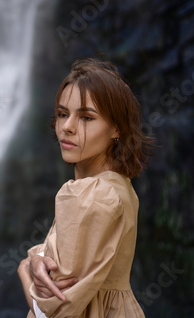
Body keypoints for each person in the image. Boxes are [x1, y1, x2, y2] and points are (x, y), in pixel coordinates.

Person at [17, 58, 152, 317]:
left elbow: (53, 312)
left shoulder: (90, 196)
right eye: (62, 114)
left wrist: (24, 270)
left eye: (86, 117)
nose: (66, 127)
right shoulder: (119, 187)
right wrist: (37, 259)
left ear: (116, 128)